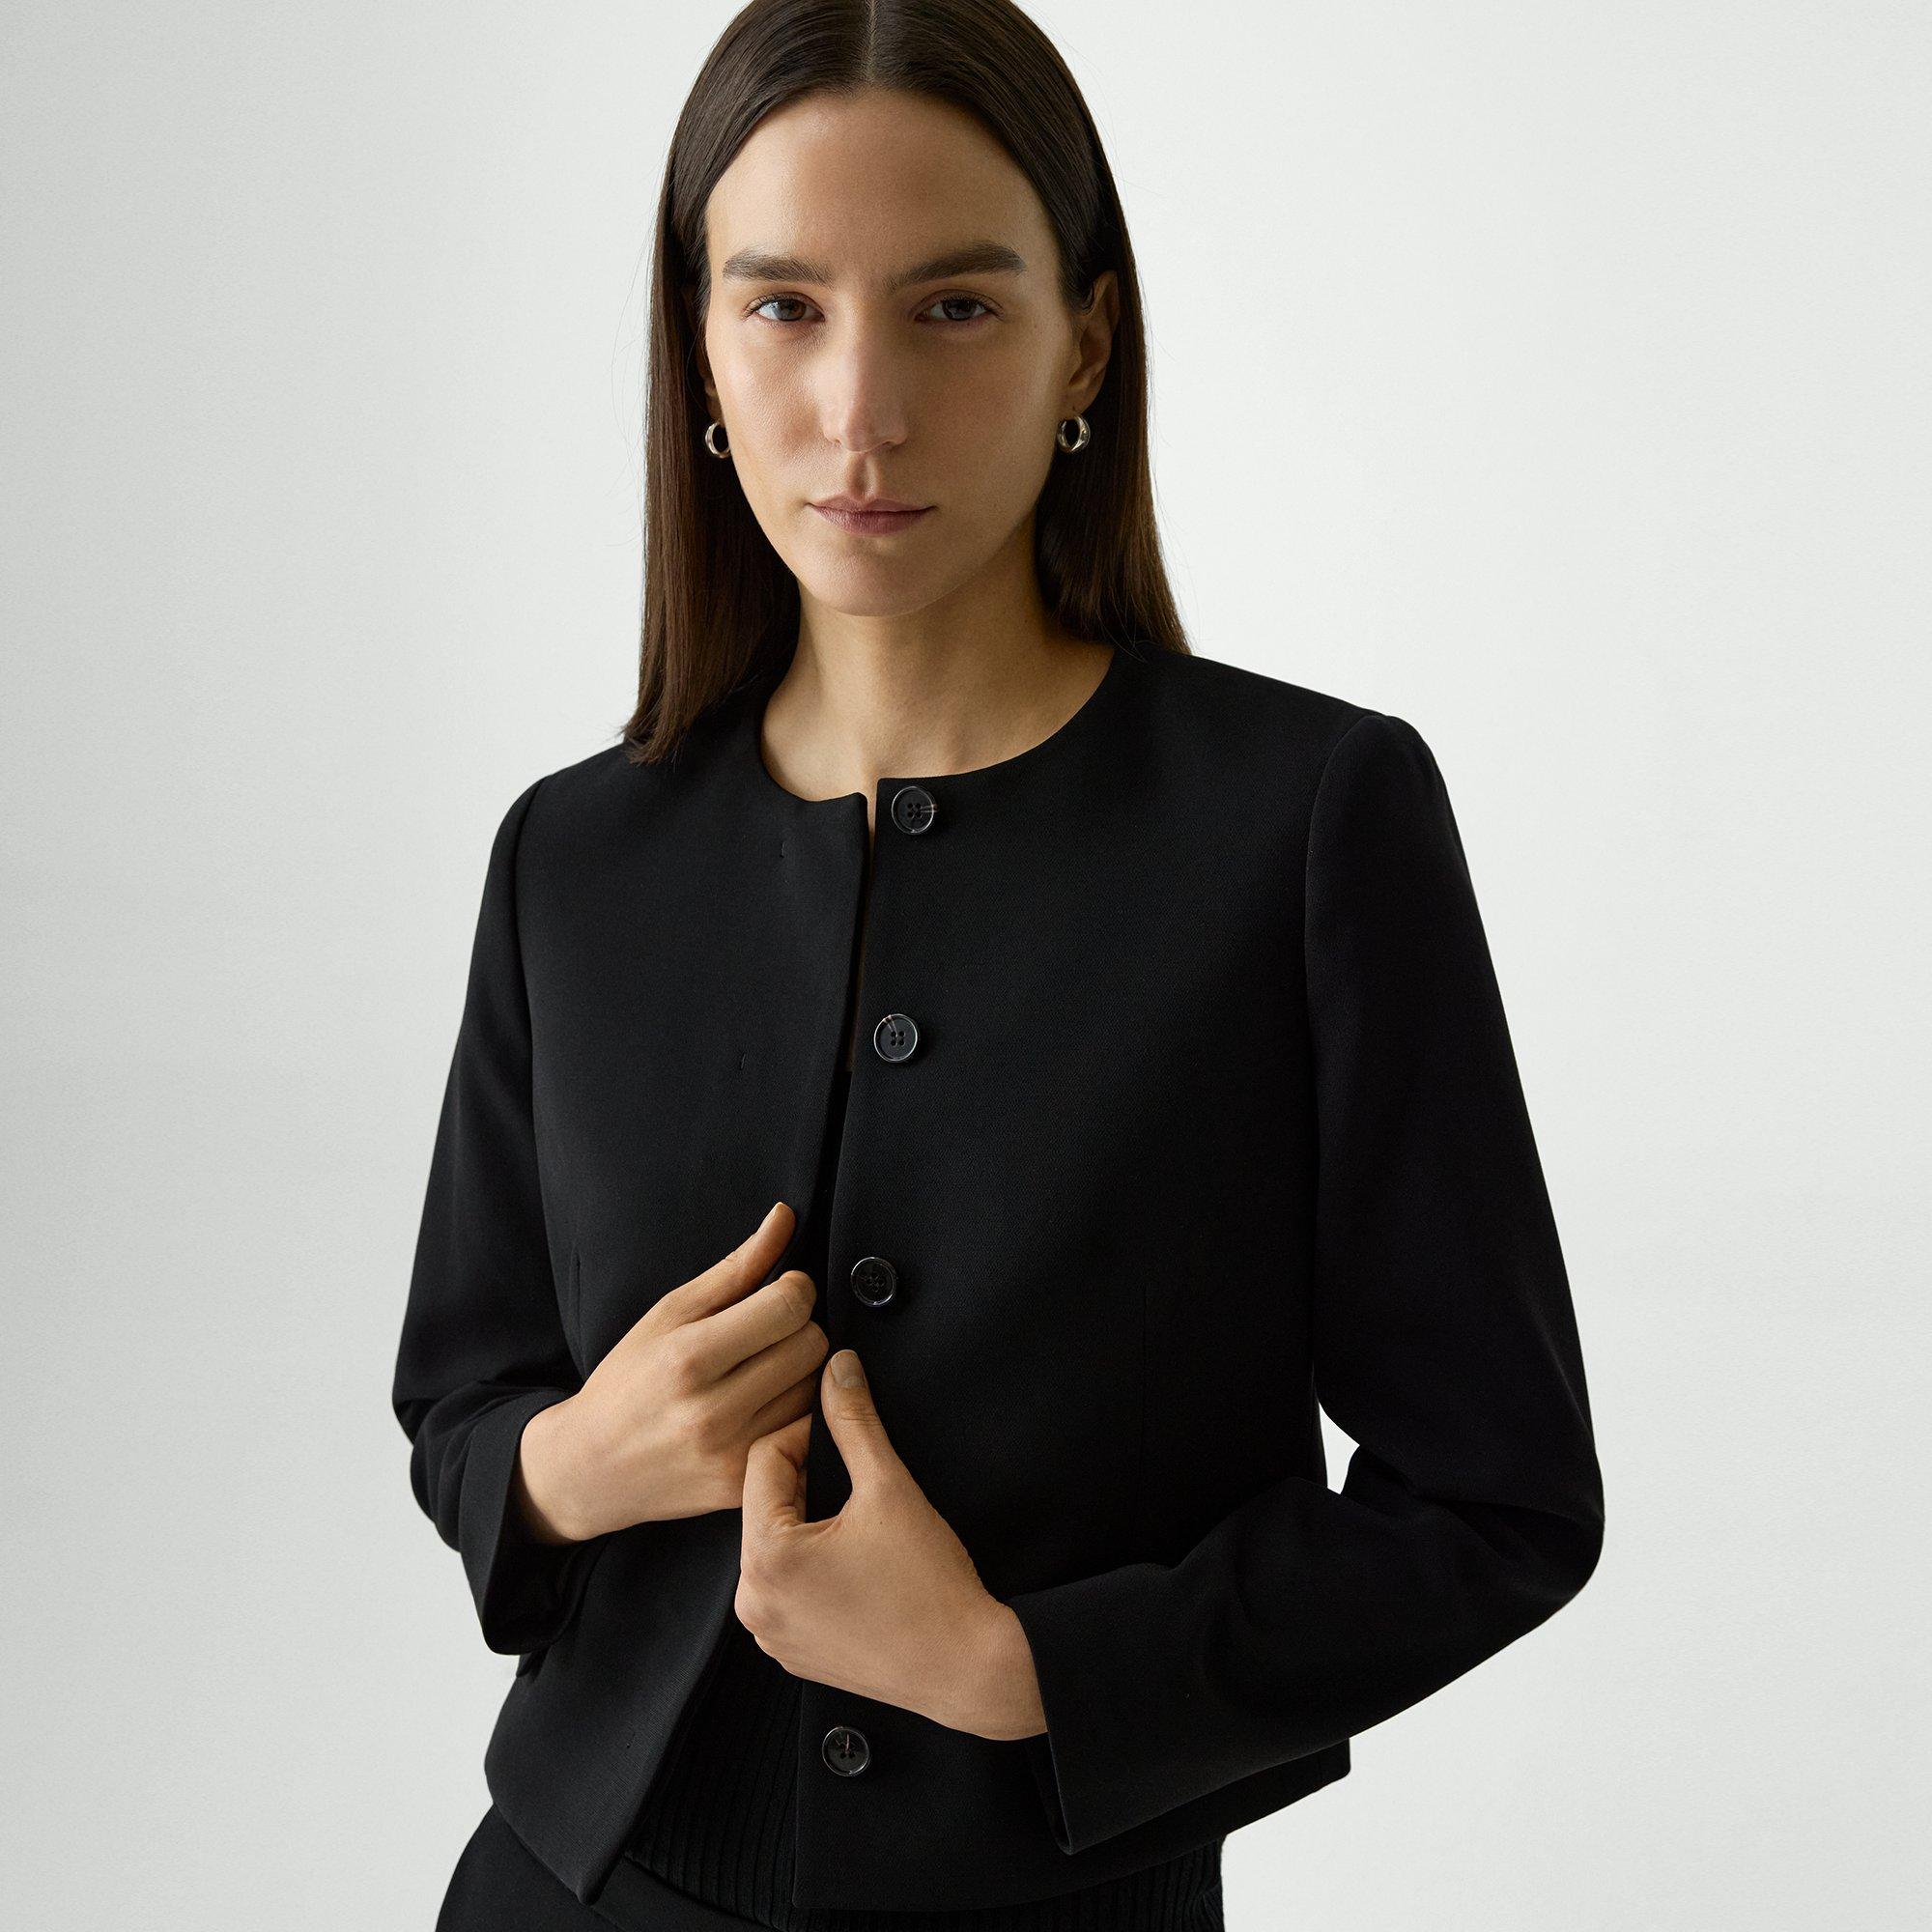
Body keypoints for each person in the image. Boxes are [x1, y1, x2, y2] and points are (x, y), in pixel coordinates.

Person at [394, 3, 1605, 1928]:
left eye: (952, 307)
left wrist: (1023, 1670)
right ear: (698, 347)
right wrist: (567, 1465)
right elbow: (462, 1393)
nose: (860, 408)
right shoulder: (572, 853)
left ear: (1085, 344)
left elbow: (1497, 1498)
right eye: (783, 306)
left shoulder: (1306, 822)